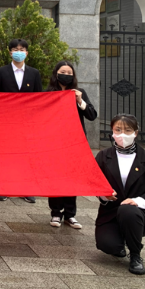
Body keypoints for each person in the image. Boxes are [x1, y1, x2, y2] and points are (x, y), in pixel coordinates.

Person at [95, 114, 145, 275]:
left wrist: (139, 201)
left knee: (128, 210)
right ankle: (120, 242)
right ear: (112, 131)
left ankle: (135, 255)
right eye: (118, 130)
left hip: (137, 214)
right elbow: (94, 182)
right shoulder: (103, 156)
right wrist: (104, 194)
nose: (123, 134)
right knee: (107, 245)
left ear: (136, 133)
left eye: (128, 130)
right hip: (110, 213)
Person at [46, 61, 97, 229]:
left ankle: (70, 214)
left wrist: (80, 101)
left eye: (69, 73)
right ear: (56, 73)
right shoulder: (48, 93)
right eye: (63, 72)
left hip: (74, 143)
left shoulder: (79, 92)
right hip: (53, 143)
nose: (66, 75)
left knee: (72, 178)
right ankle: (55, 213)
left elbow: (92, 115)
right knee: (55, 178)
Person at [0, 38, 42, 203]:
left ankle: (25, 189)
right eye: (15, 49)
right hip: (6, 122)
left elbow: (38, 98)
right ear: (10, 52)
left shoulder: (34, 73)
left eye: (22, 49)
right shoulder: (1, 72)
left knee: (26, 155)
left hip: (27, 122)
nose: (19, 52)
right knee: (6, 155)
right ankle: (4, 188)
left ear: (27, 53)